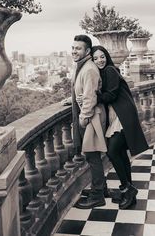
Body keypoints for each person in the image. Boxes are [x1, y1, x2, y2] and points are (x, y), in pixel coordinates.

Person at [90, 45, 149, 209]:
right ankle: (128, 192)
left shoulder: (110, 70)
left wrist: (93, 96)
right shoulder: (104, 72)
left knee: (113, 151)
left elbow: (111, 95)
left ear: (106, 56)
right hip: (118, 114)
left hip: (122, 116)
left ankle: (127, 189)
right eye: (95, 58)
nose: (99, 60)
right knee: (121, 152)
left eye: (102, 56)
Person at [70, 35, 108, 209]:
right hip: (90, 116)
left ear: (87, 51)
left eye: (78, 48)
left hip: (91, 117)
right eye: (73, 48)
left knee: (93, 156)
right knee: (92, 155)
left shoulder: (89, 69)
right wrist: (70, 100)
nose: (74, 51)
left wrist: (83, 118)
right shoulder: (83, 67)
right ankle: (102, 188)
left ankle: (97, 195)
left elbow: (90, 97)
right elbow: (82, 90)